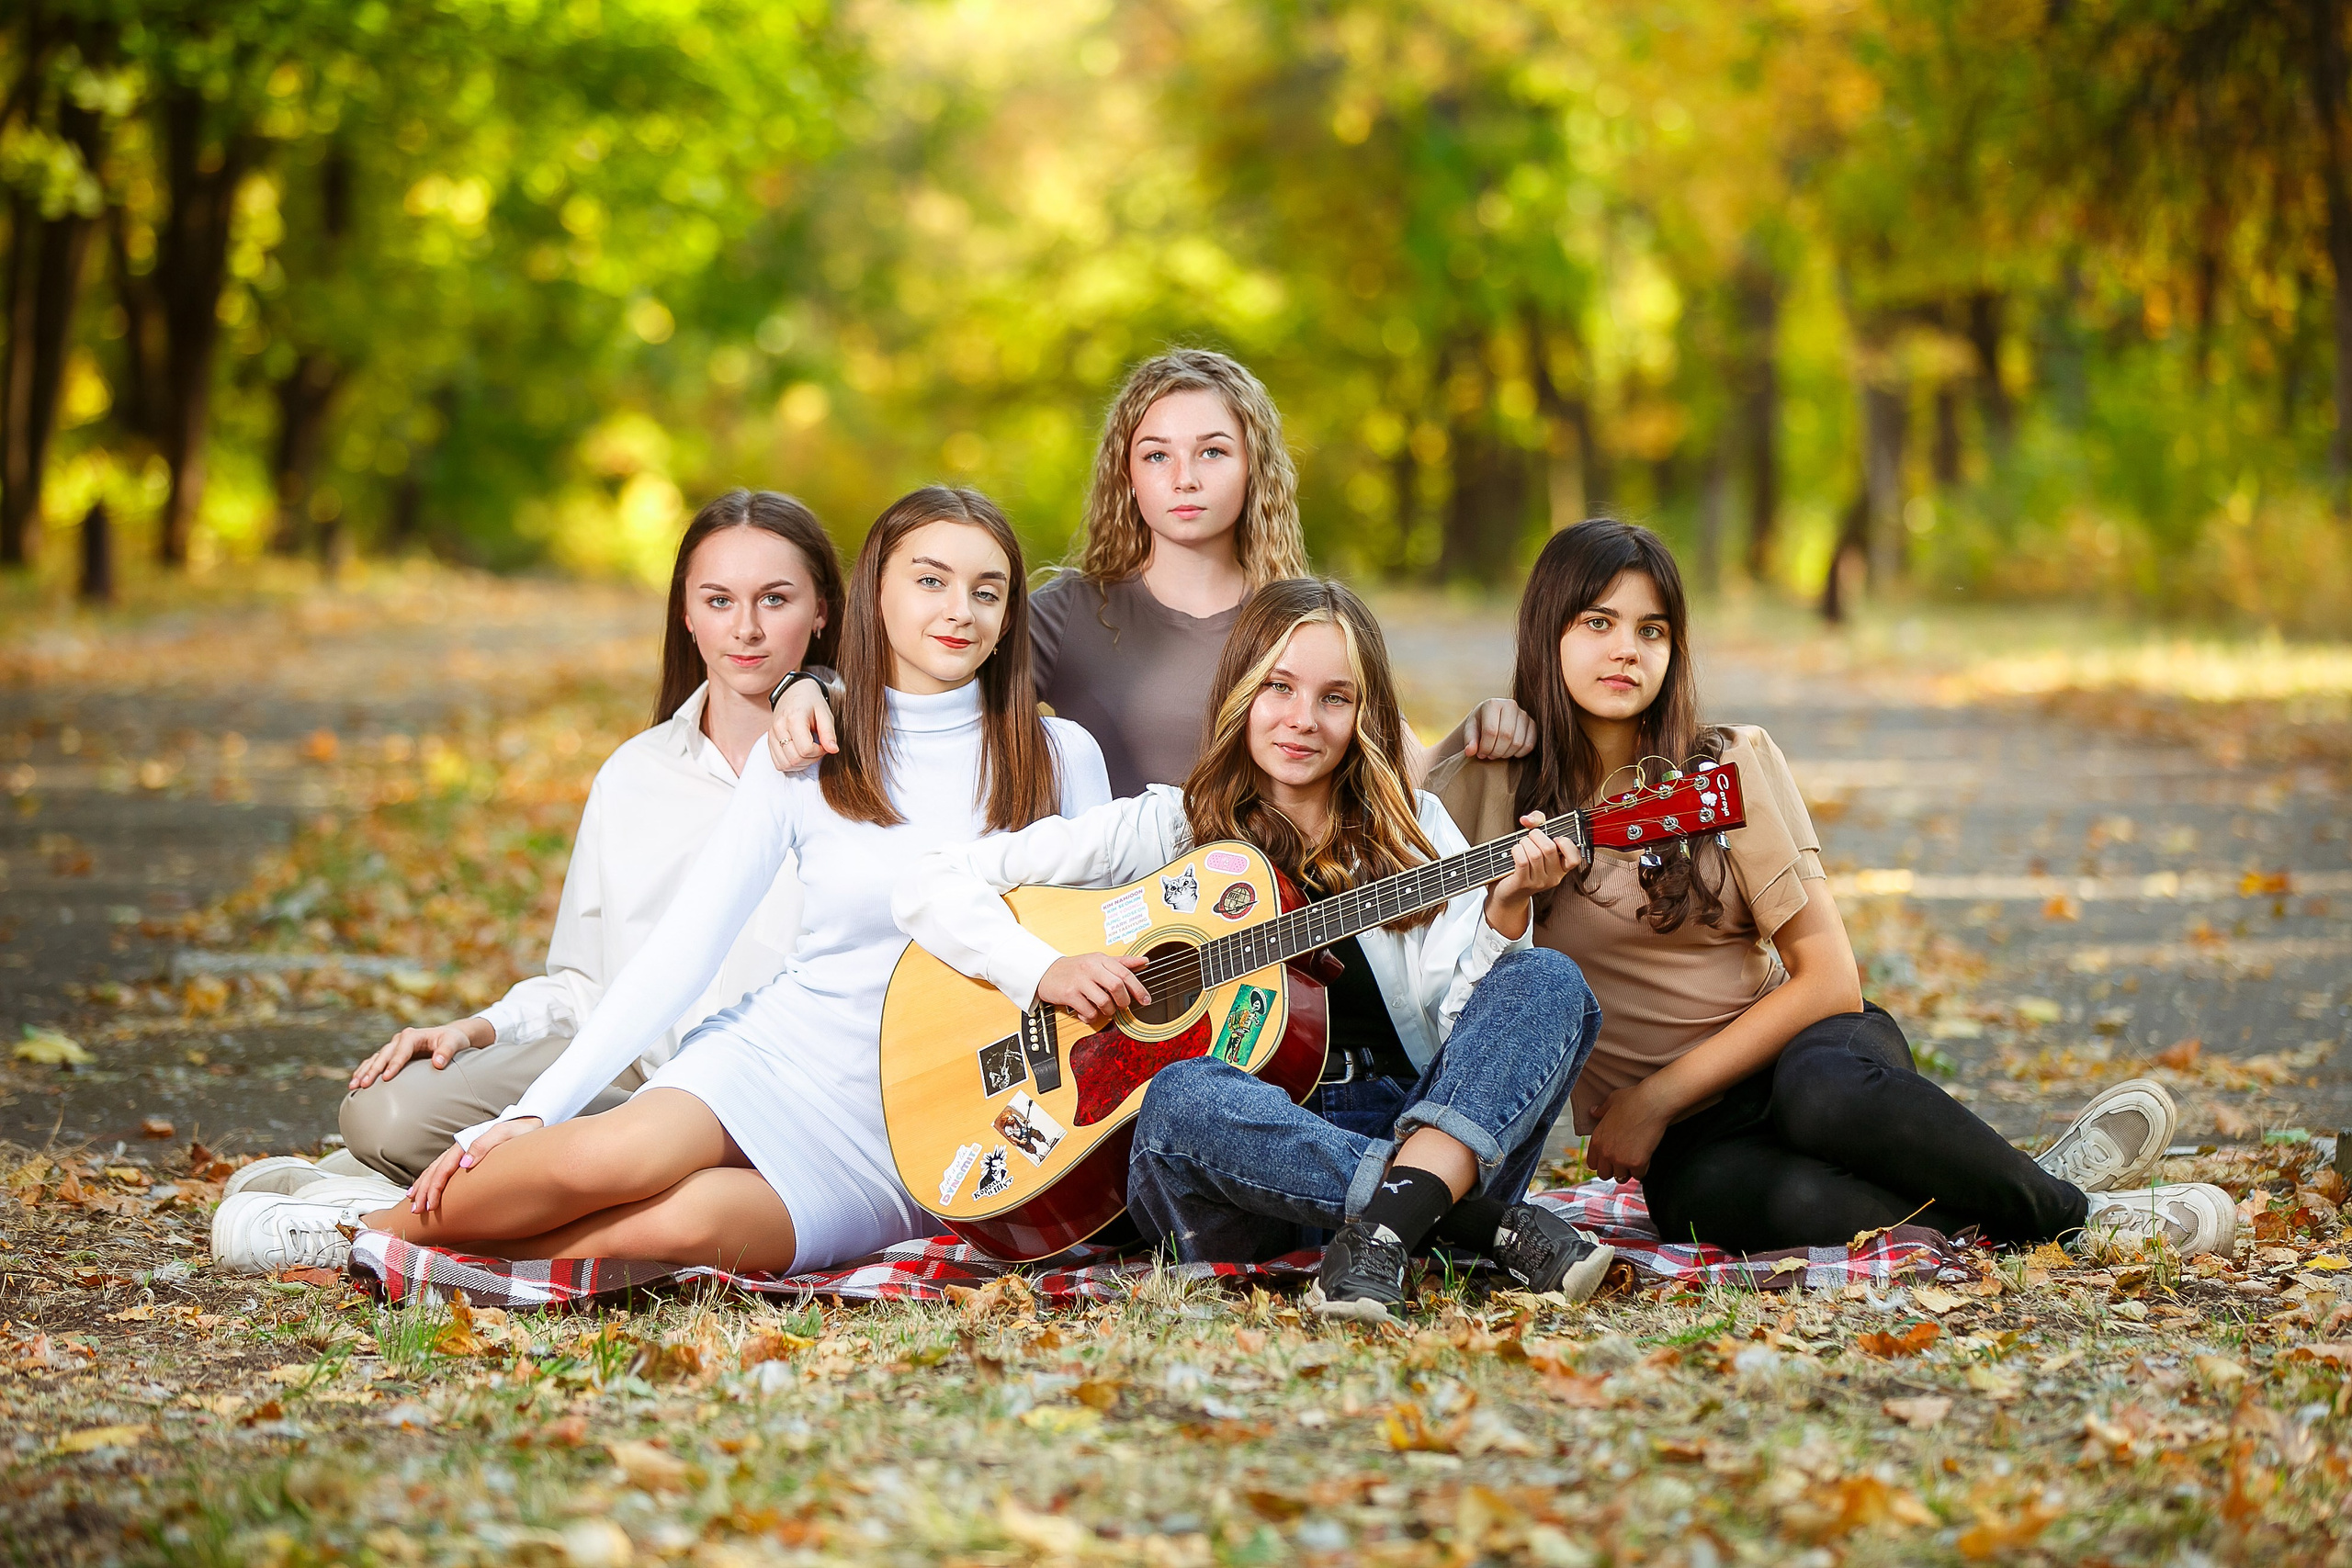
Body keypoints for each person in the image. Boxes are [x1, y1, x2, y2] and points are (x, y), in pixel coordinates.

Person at [211, 488, 1111, 1274]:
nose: (959, 609)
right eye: (930, 580)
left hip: (922, 1119)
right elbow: (682, 951)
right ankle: (359, 1234)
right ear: (877, 591)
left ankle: (382, 1235)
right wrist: (531, 1111)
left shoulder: (1059, 757)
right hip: (777, 1060)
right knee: (603, 1162)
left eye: (985, 590)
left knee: (683, 1228)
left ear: (1008, 614)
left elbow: (1100, 946)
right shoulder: (807, 749)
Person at [1430, 520, 2237, 1258]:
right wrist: (1462, 736)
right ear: (1547, 631)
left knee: (1823, 1097)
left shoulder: (1727, 766)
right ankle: (2019, 1185)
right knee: (1727, 1204)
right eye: (1596, 623)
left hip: (1799, 1052)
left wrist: (1654, 1096)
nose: (1627, 651)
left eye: (1652, 630)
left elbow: (1830, 979)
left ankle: (2078, 1219)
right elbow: (1376, 842)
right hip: (1690, 1145)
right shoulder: (1490, 786)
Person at [895, 578, 1615, 1323]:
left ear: (1366, 713)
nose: (1302, 720)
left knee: (1546, 978)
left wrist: (1505, 910)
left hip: (1421, 1122)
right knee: (1179, 1098)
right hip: (1248, 1173)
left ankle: (1385, 1232)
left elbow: (1464, 1039)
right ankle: (1453, 1224)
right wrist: (1044, 969)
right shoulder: (1169, 828)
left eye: (1335, 698)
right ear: (1241, 689)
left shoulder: (1416, 829)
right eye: (1279, 687)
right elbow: (929, 881)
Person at [223, 491, 842, 1204]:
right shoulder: (635, 775)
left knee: (686, 1166)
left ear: (821, 608)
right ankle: (444, 1179)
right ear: (686, 612)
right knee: (384, 1115)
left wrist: (827, 690)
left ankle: (369, 1208)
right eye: (719, 599)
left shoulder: (861, 771)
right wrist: (482, 1026)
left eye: (775, 598)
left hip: (779, 1097)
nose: (746, 628)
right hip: (632, 1078)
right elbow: (587, 982)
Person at [765, 349, 1533, 792]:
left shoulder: (1304, 619)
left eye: (1212, 452)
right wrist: (812, 683)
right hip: (1126, 931)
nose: (1184, 478)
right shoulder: (1067, 610)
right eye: (1157, 455)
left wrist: (1479, 730)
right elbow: (928, 697)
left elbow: (1408, 770)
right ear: (1127, 473)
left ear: (1255, 468)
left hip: (1278, 929)